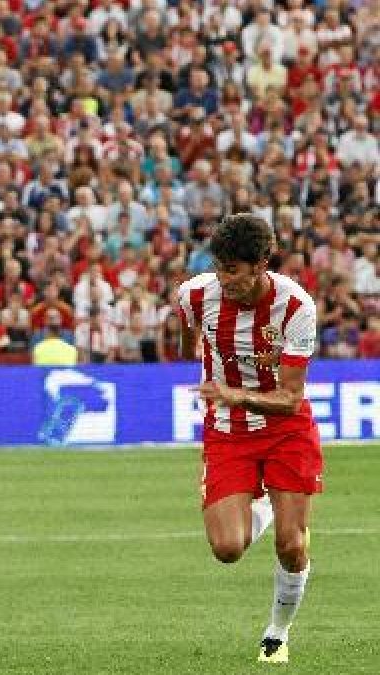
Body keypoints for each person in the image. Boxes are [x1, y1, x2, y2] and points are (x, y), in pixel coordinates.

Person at [175, 213, 321, 665]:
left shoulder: (296, 307)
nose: (224, 279)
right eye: (219, 267)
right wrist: (215, 382)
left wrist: (234, 392)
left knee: (291, 543)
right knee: (227, 549)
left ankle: (277, 634)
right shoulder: (194, 295)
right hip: (226, 432)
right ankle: (260, 502)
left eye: (233, 270)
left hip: (285, 431)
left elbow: (292, 399)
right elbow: (187, 343)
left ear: (260, 265)